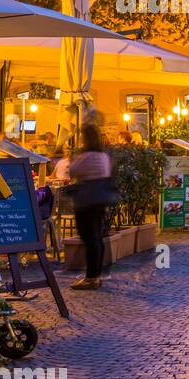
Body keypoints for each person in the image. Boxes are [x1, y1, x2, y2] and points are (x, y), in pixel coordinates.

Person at [68, 122, 115, 291]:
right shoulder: (103, 156)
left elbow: (72, 171)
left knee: (90, 238)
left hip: (86, 201)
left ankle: (91, 277)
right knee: (97, 237)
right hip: (100, 199)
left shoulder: (87, 156)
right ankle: (96, 274)